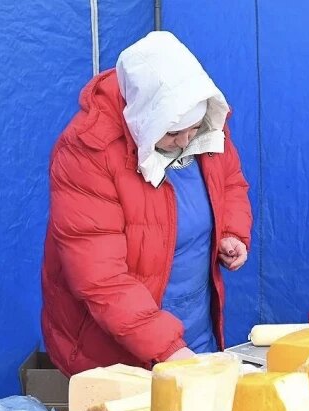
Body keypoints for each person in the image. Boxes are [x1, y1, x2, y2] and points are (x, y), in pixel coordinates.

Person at [41, 31, 252, 377]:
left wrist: (232, 231)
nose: (185, 141)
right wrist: (167, 349)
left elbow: (229, 182)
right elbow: (101, 278)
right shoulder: (86, 153)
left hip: (193, 335)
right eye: (171, 134)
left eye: (193, 128)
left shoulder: (202, 127)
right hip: (115, 356)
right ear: (143, 120)